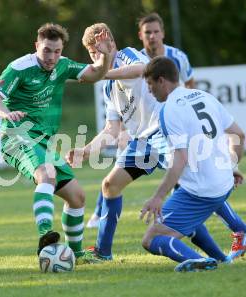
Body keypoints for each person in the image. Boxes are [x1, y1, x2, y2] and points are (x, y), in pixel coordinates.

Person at [0, 23, 112, 264]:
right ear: (36, 46)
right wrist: (4, 114)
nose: (52, 57)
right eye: (47, 51)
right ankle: (46, 234)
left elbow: (96, 74)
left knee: (77, 197)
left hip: (43, 142)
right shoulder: (19, 68)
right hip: (17, 135)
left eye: (56, 51)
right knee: (46, 175)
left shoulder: (62, 65)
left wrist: (105, 56)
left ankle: (76, 253)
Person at [139, 56, 246, 272]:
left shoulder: (169, 110)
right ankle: (225, 253)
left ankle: (202, 261)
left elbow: (180, 159)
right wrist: (231, 167)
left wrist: (157, 197)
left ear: (161, 81)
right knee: (184, 216)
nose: (149, 91)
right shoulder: (204, 96)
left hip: (201, 192)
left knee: (152, 238)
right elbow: (239, 134)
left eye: (150, 84)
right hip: (224, 185)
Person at [66, 23, 168, 260]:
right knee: (110, 186)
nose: (95, 58)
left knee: (190, 186)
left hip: (164, 131)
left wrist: (104, 71)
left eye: (98, 50)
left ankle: (240, 229)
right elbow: (111, 130)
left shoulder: (127, 55)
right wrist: (85, 151)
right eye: (92, 54)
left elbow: (144, 68)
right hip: (142, 142)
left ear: (111, 43)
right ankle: (103, 252)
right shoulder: (108, 86)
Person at [138, 12, 195, 88]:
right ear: (140, 35)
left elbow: (189, 83)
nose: (152, 36)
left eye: (156, 31)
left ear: (163, 33)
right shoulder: (136, 60)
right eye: (148, 32)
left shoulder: (178, 57)